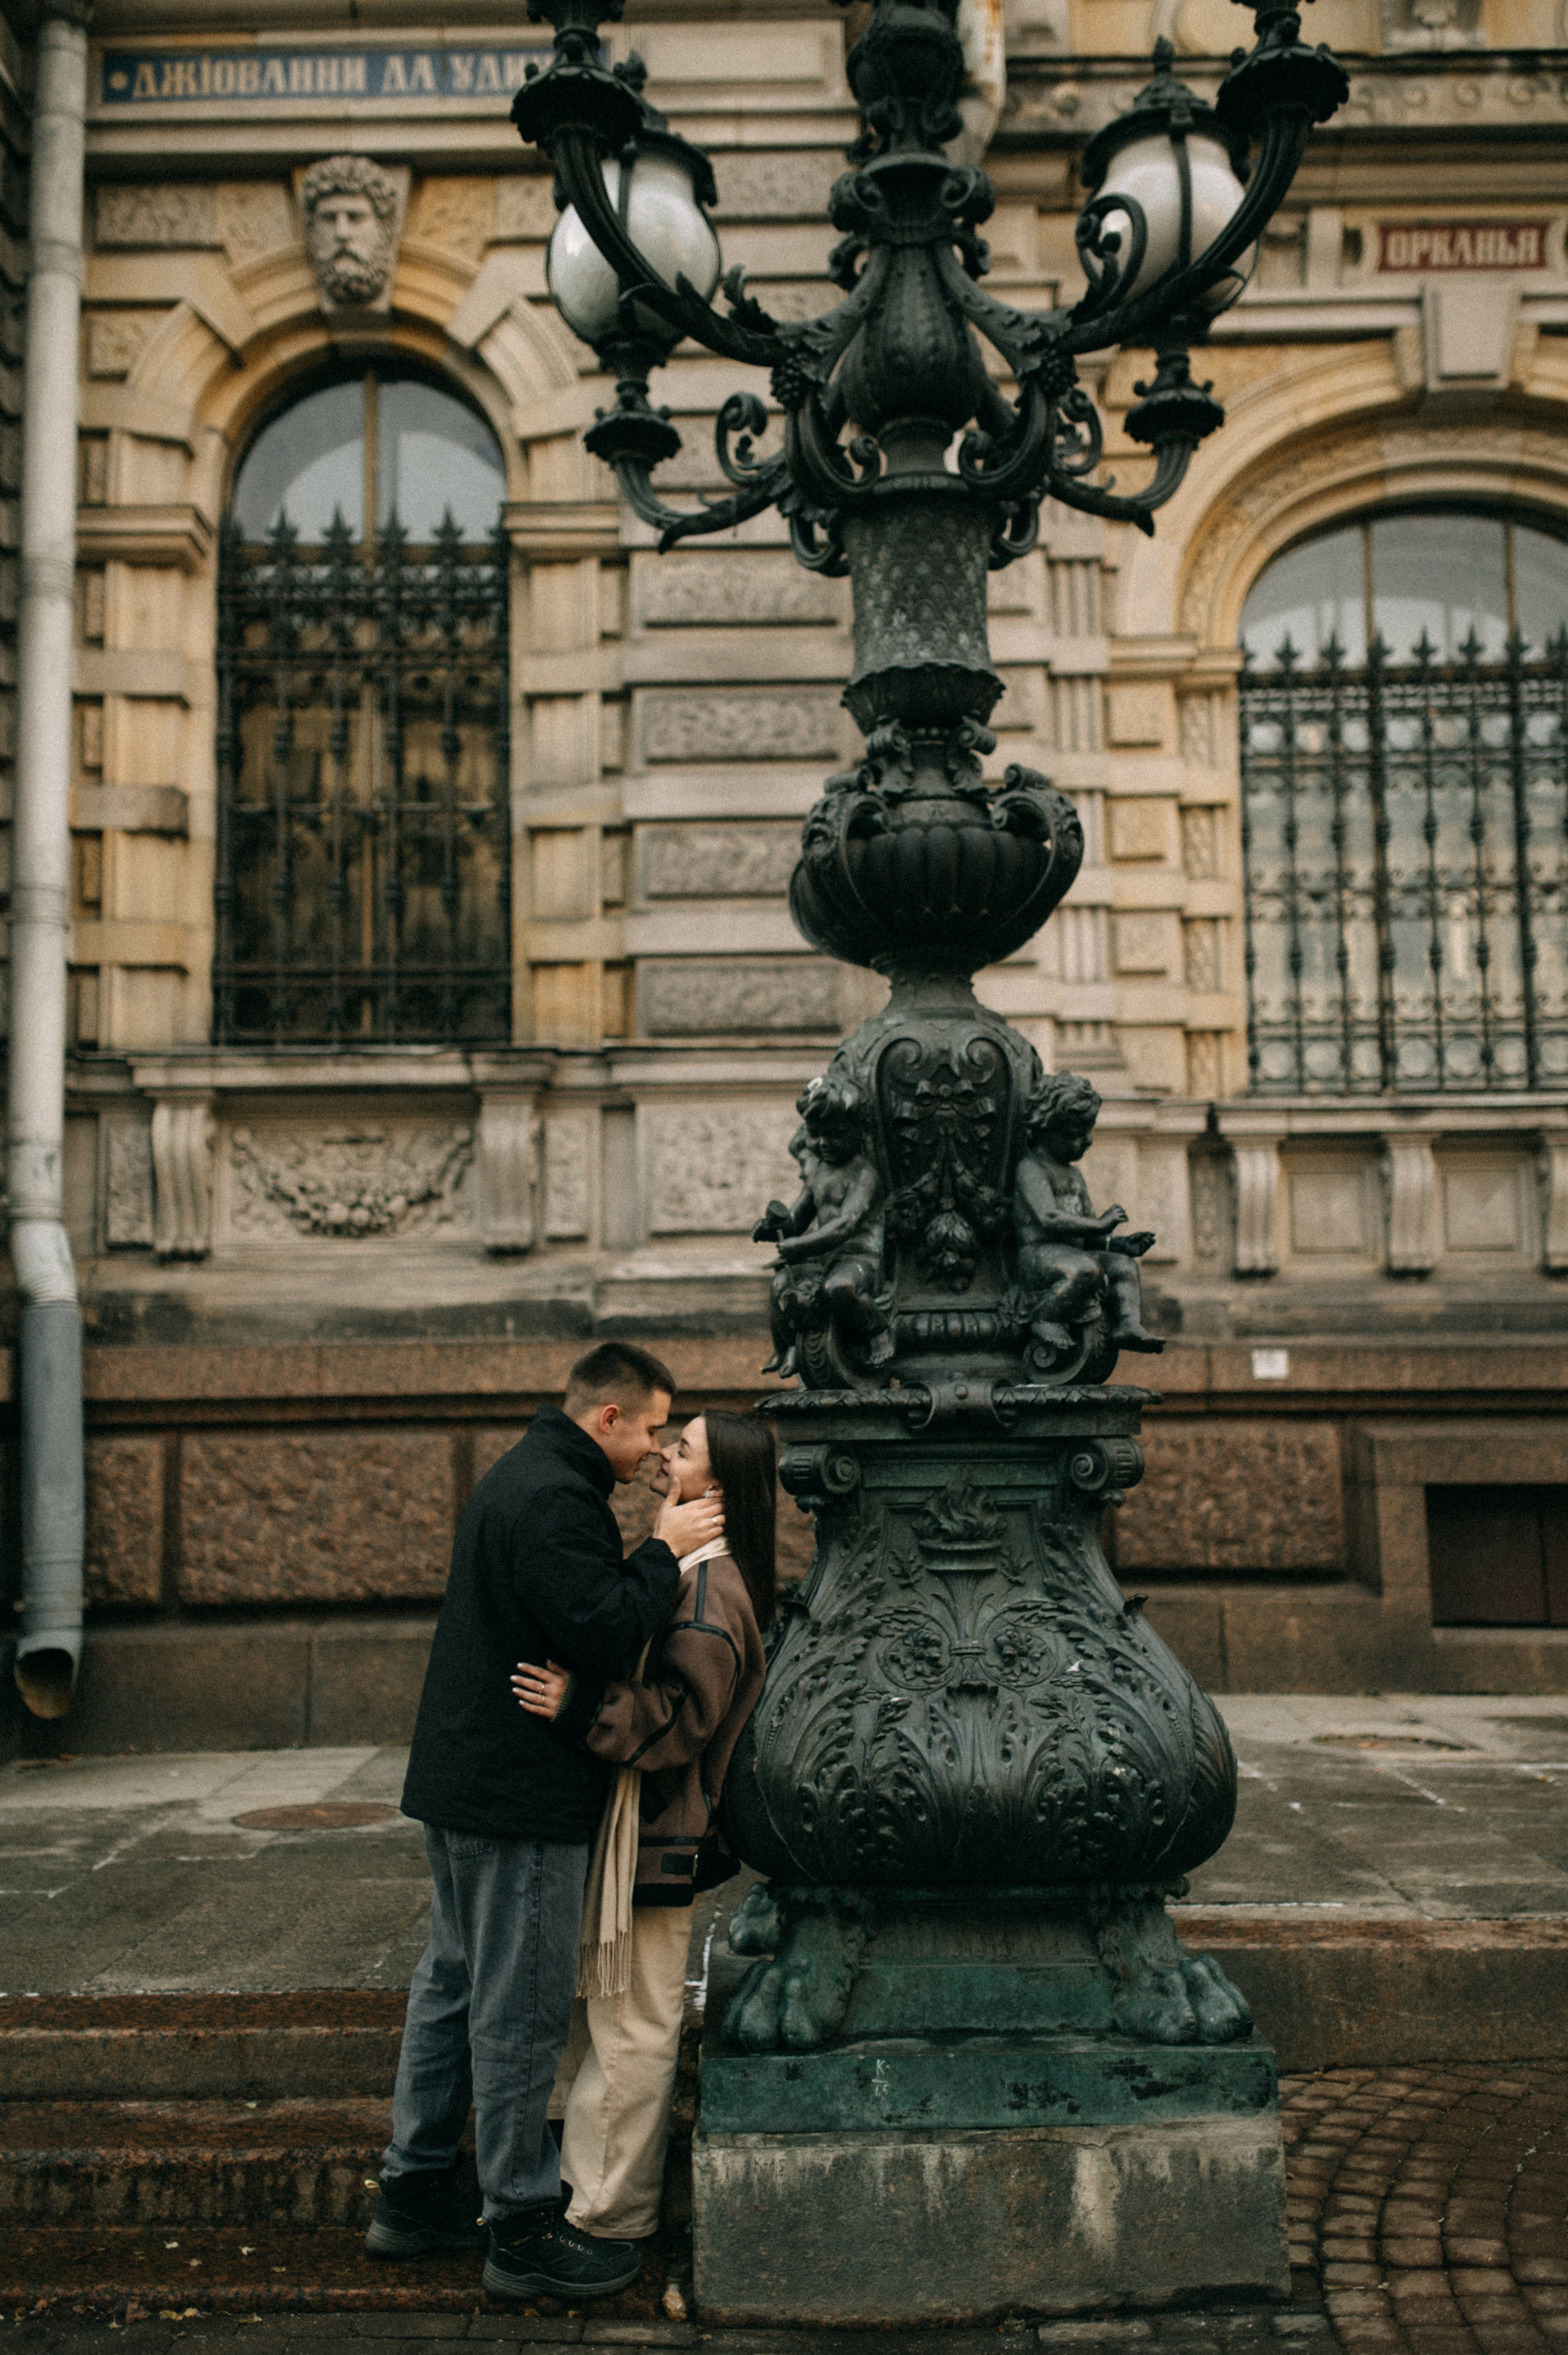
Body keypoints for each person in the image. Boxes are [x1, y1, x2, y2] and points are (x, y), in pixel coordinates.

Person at [367, 1341, 725, 2304]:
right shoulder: (556, 1499)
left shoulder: (526, 1474)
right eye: (652, 1426)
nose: (657, 1448)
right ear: (607, 1418)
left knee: (450, 1982)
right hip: (516, 1800)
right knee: (518, 2011)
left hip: (465, 1786)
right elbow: (605, 1627)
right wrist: (666, 1546)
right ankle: (520, 2226)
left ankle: (412, 2191)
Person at [511, 1408, 775, 2250]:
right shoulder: (690, 1569)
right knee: (614, 2019)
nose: (663, 1453)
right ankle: (583, 2195)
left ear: (720, 1488)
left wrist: (579, 1705)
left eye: (684, 1448)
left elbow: (682, 1722)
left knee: (633, 2028)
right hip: (639, 1833)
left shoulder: (712, 1587)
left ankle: (606, 2219)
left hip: (658, 1837)